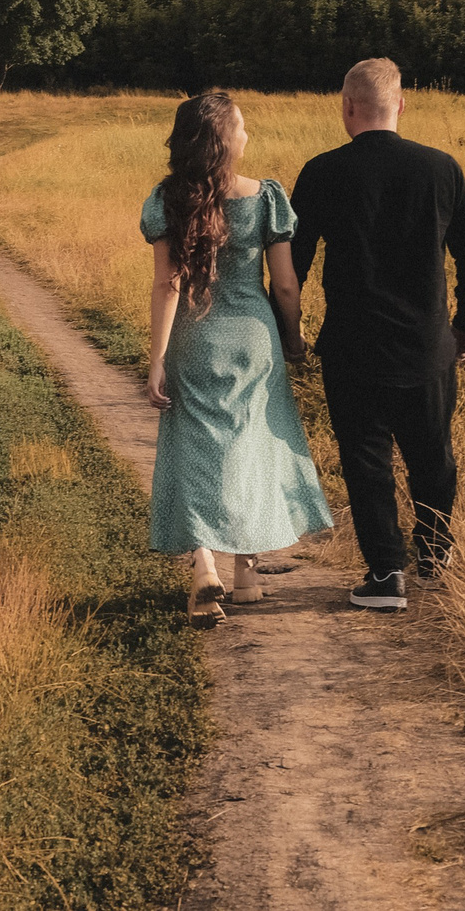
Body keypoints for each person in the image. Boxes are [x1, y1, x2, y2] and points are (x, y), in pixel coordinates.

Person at [289, 58, 465, 612]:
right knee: (433, 454)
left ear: (347, 108)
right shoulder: (440, 168)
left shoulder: (321, 172)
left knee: (365, 459)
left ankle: (385, 575)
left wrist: (290, 331)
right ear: (401, 105)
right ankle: (433, 553)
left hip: (351, 347)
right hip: (428, 346)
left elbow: (293, 264)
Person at [141, 91, 334, 624]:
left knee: (194, 444)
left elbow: (167, 284)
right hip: (254, 339)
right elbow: (287, 284)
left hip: (193, 340)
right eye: (243, 127)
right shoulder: (266, 197)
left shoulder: (167, 199)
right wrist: (291, 339)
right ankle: (247, 574)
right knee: (251, 444)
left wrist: (157, 357)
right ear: (225, 140)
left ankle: (206, 564)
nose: (248, 135)